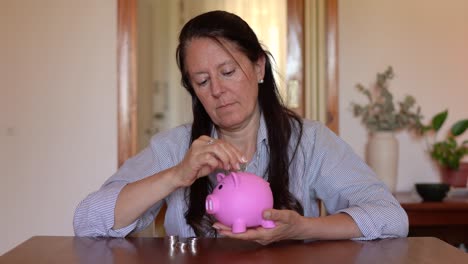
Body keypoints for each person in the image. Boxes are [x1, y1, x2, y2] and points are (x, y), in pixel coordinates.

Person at [73, 10, 408, 245]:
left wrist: (303, 228)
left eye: (228, 72)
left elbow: (392, 219)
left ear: (259, 66)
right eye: (202, 81)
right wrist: (176, 175)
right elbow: (87, 221)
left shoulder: (309, 140)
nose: (217, 90)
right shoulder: (177, 148)